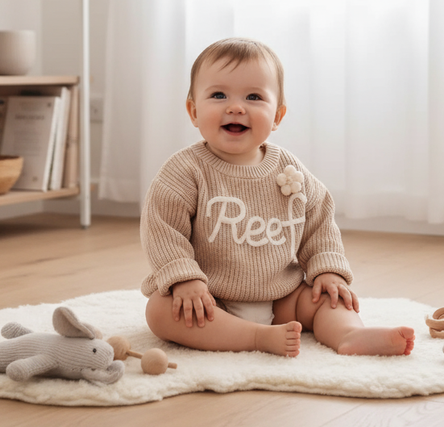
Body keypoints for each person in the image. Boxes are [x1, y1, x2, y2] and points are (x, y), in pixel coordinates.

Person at [141, 38, 415, 359]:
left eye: (254, 97)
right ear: (194, 111)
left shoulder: (289, 169)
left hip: (283, 296)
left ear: (277, 116)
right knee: (160, 311)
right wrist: (184, 280)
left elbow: (319, 222)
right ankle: (257, 337)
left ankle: (349, 334)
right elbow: (163, 230)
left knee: (328, 298)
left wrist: (328, 270)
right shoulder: (184, 170)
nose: (236, 107)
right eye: (218, 95)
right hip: (212, 298)